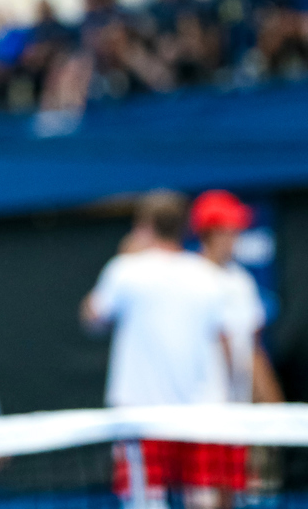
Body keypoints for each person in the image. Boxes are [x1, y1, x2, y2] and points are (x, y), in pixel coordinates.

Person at [81, 190, 237, 509]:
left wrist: (126, 253)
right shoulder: (209, 277)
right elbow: (225, 346)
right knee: (204, 502)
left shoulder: (125, 270)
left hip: (142, 418)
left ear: (145, 226)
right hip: (198, 417)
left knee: (144, 504)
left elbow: (91, 317)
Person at [191, 190, 284, 404]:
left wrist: (274, 409)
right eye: (231, 230)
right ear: (211, 233)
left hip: (236, 412)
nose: (237, 237)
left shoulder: (242, 281)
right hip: (197, 409)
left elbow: (254, 350)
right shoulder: (186, 277)